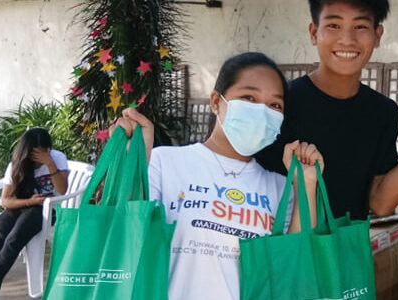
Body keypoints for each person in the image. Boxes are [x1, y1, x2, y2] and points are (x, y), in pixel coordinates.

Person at [113, 52, 324, 300]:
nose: (261, 112)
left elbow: (296, 267)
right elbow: (126, 236)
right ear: (216, 101)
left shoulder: (281, 188)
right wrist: (131, 163)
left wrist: (307, 183)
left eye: (274, 105)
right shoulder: (164, 163)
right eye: (249, 97)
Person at [254, 0, 398, 219]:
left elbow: (380, 203)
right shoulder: (281, 105)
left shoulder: (383, 113)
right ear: (313, 32)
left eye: (360, 27)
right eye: (334, 25)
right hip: (282, 248)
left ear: (377, 35)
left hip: (347, 249)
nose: (347, 40)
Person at [0, 128, 69, 300]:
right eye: (34, 156)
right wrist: (30, 201)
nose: (38, 161)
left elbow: (63, 190)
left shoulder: (57, 158)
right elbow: (6, 201)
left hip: (47, 209)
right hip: (24, 205)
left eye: (43, 153)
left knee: (14, 239)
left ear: (49, 149)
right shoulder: (18, 164)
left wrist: (50, 164)